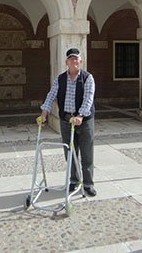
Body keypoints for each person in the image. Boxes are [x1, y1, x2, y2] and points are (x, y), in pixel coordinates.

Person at [37, 47, 96, 197]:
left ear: (80, 61)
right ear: (66, 62)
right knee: (69, 152)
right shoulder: (60, 79)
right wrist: (44, 114)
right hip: (66, 120)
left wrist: (81, 116)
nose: (74, 61)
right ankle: (73, 181)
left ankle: (88, 184)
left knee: (87, 153)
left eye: (76, 58)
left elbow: (88, 99)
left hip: (84, 120)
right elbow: (51, 95)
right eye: (71, 58)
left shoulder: (87, 78)